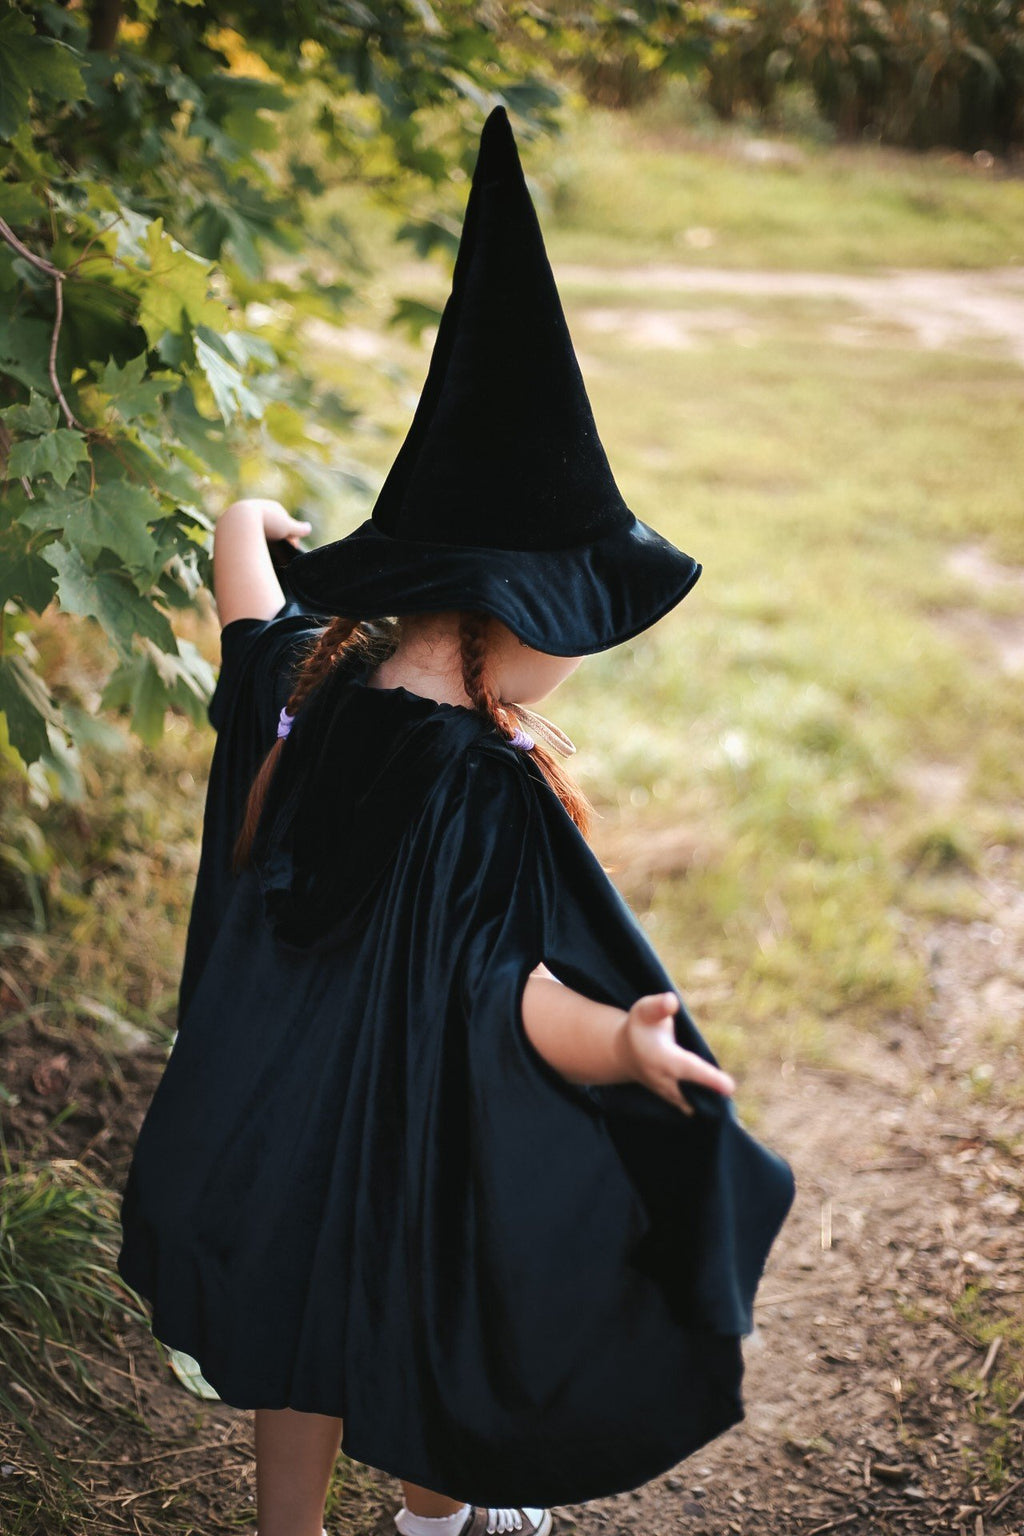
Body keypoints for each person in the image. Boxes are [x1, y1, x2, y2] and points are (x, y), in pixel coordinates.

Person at [116, 107, 796, 1536]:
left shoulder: (300, 681)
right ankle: (442, 1518)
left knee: (287, 1365)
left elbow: (238, 565)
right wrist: (621, 1042)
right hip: (385, 1148)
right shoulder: (480, 788)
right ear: (513, 613)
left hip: (247, 1134)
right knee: (440, 1297)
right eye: (575, 627)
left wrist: (256, 510)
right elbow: (510, 995)